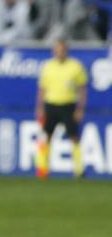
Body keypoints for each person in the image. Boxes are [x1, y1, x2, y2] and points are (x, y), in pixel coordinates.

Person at [35, 39, 88, 179]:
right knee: (46, 136)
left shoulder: (75, 66)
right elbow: (42, 88)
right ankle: (42, 169)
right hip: (51, 105)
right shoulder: (48, 66)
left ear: (66, 51)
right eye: (57, 50)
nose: (59, 52)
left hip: (68, 105)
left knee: (74, 137)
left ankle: (79, 170)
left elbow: (82, 88)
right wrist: (40, 107)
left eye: (62, 50)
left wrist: (80, 108)